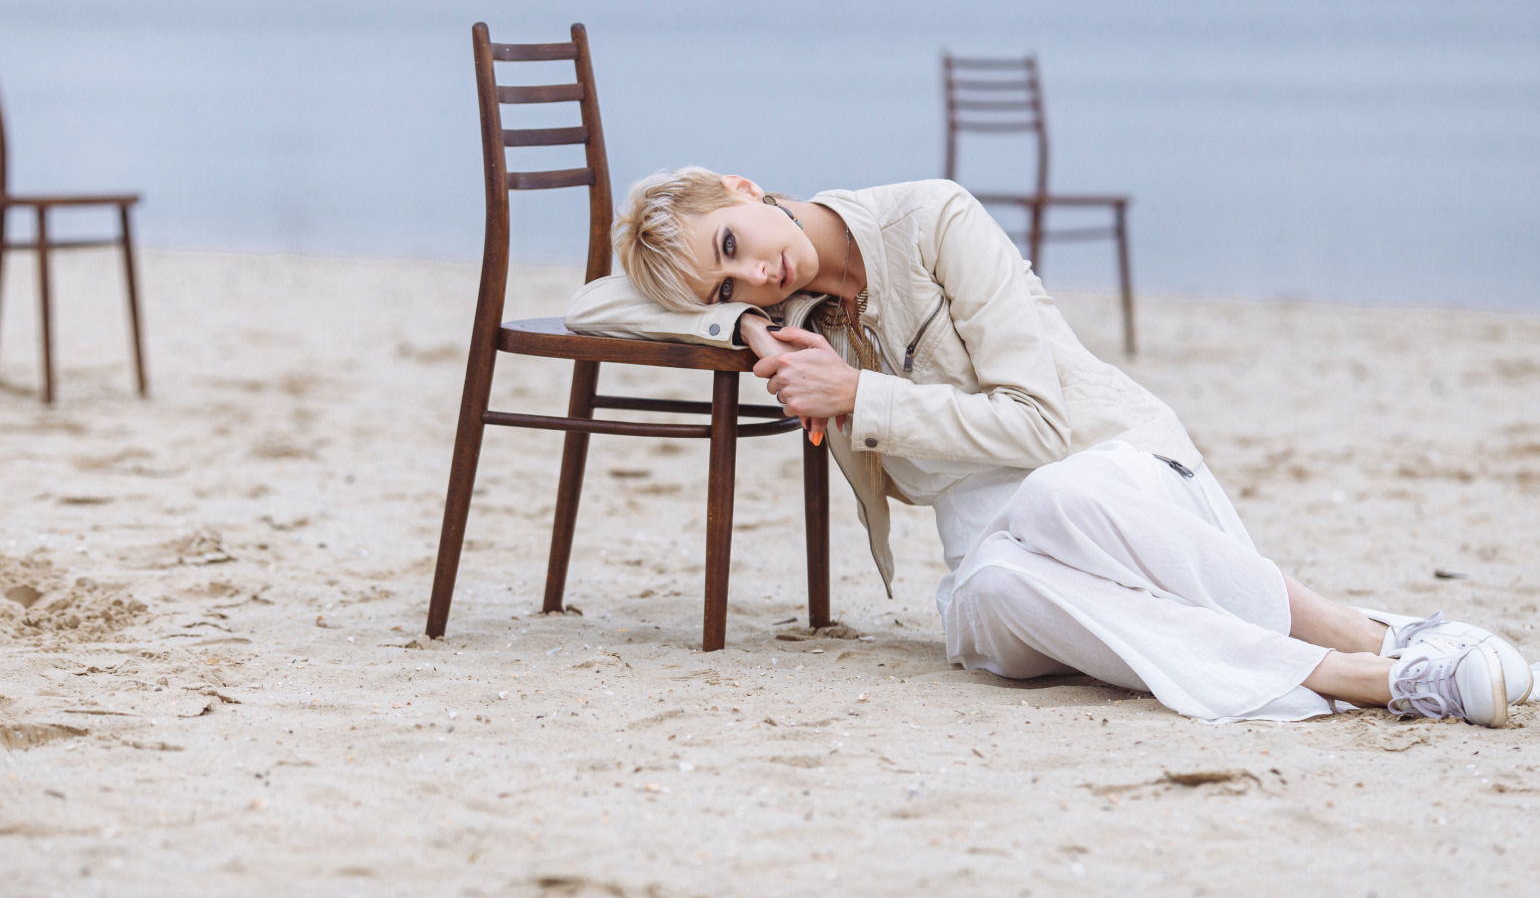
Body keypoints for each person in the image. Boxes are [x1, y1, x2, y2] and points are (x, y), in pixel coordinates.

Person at [565, 167, 1534, 725]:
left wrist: (864, 394)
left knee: (1053, 497)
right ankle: (1385, 666)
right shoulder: (793, 315)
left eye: (734, 246)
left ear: (745, 187)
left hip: (1119, 490)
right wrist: (737, 329)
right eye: (728, 290)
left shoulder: (932, 218)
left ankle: (1359, 654)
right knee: (983, 592)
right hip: (1012, 572)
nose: (758, 278)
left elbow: (1040, 425)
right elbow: (592, 309)